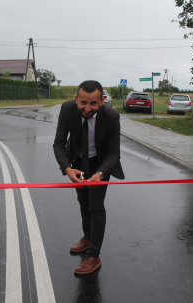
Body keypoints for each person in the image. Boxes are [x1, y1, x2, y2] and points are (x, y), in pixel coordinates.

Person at [53, 80, 125, 275]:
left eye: (93, 103)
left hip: (100, 164)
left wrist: (100, 173)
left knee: (95, 205)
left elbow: (113, 153)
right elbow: (59, 144)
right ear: (76, 99)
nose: (87, 108)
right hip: (77, 161)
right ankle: (87, 238)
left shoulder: (111, 116)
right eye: (83, 102)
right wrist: (67, 168)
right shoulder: (67, 109)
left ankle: (94, 255)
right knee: (83, 200)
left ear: (102, 100)